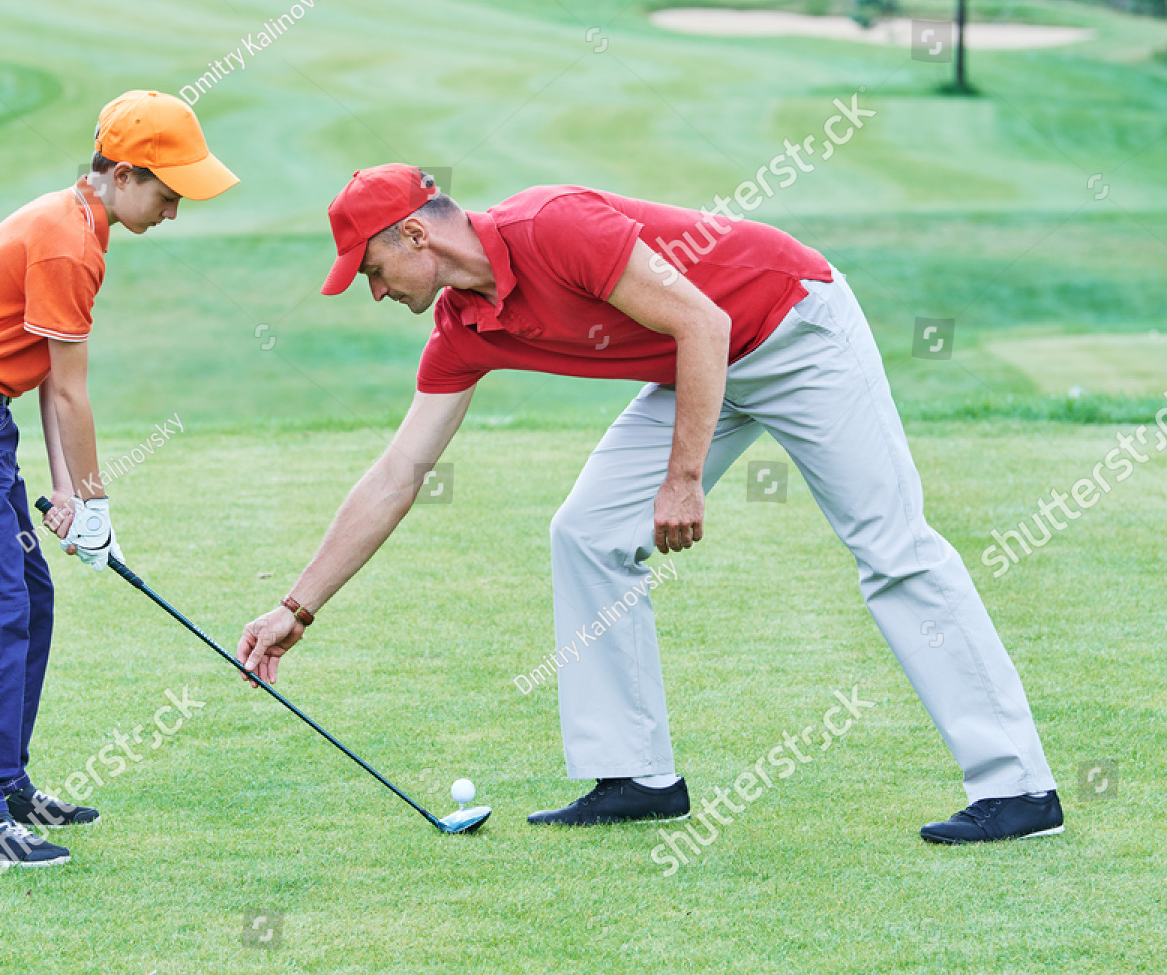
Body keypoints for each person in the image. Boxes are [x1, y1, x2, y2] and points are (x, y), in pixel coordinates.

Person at [237, 164, 1062, 844]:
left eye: (372, 272)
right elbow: (398, 474)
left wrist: (683, 477)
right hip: (698, 362)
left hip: (790, 326)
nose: (373, 293)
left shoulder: (551, 224)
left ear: (416, 235)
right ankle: (637, 775)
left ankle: (1018, 788)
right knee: (587, 532)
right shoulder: (463, 327)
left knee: (892, 549)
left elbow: (703, 321)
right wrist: (296, 608)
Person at [0, 91, 237, 867]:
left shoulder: (82, 223)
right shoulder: (66, 241)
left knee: (28, 595)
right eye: (168, 192)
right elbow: (74, 391)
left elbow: (51, 382)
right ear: (122, 174)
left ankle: (6, 784)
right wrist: (97, 502)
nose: (175, 210)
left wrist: (69, 490)